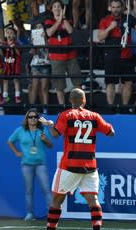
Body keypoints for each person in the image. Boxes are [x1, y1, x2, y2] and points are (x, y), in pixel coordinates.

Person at [39, 88, 115, 230]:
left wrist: (50, 125)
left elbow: (55, 134)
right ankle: (97, 227)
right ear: (84, 100)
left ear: (70, 100)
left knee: (57, 199)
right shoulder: (94, 116)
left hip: (69, 165)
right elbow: (111, 133)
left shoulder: (66, 115)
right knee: (93, 200)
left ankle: (50, 227)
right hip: (90, 166)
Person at [7, 108, 53, 221]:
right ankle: (30, 214)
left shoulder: (42, 130)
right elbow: (10, 141)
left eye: (35, 117)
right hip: (26, 165)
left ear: (38, 119)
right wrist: (17, 152)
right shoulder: (20, 130)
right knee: (29, 190)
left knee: (46, 189)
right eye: (30, 117)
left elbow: (50, 145)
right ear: (26, 119)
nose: (32, 119)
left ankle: (52, 213)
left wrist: (45, 139)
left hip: (40, 164)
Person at [97, 0, 136, 113]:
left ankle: (125, 108)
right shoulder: (105, 20)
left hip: (126, 55)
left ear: (122, 7)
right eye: (113, 7)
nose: (116, 9)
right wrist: (110, 28)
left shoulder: (128, 18)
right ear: (110, 8)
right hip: (111, 56)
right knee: (110, 82)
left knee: (128, 82)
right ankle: (111, 108)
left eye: (118, 7)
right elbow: (100, 37)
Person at [44, 0, 83, 106]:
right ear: (51, 9)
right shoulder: (48, 21)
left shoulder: (67, 20)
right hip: (56, 58)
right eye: (55, 7)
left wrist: (63, 18)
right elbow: (49, 32)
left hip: (71, 56)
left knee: (77, 82)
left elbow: (70, 31)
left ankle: (78, 106)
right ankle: (62, 107)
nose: (57, 8)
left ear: (63, 9)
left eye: (59, 7)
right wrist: (59, 20)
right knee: (59, 85)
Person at [29, 22, 50, 115]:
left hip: (45, 64)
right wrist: (33, 43)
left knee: (44, 87)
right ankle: (31, 109)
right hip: (35, 65)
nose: (39, 28)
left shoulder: (48, 37)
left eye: (40, 26)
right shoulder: (32, 38)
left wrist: (44, 39)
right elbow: (32, 53)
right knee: (34, 86)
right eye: (37, 27)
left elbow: (50, 52)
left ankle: (45, 109)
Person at [1, 27, 22, 104]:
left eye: (11, 33)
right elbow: (2, 54)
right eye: (8, 32)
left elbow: (19, 53)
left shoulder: (17, 43)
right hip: (7, 65)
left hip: (15, 65)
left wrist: (14, 46)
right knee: (5, 81)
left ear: (15, 35)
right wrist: (1, 47)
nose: (9, 34)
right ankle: (5, 97)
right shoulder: (4, 43)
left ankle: (17, 96)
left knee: (16, 80)